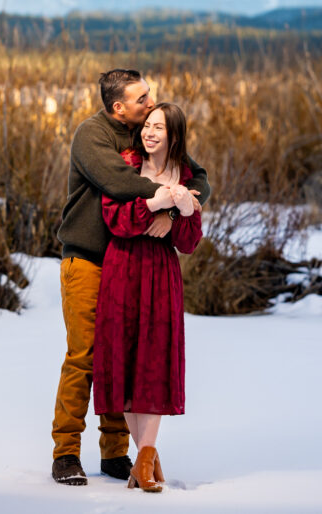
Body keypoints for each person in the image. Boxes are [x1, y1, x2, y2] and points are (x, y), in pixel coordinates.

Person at [51, 70, 211, 486]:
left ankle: (116, 453)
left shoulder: (147, 129)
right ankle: (66, 453)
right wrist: (163, 199)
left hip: (129, 263)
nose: (150, 102)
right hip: (88, 259)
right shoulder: (93, 135)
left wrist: (175, 208)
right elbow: (118, 182)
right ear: (118, 106)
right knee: (85, 357)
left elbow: (198, 179)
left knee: (124, 354)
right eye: (142, 98)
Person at [93, 103, 202, 492]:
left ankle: (145, 458)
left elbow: (189, 243)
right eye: (148, 125)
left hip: (159, 272)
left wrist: (183, 212)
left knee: (153, 361)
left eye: (160, 127)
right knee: (125, 359)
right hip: (122, 267)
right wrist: (155, 204)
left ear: (174, 135)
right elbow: (114, 219)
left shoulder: (186, 175)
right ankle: (146, 462)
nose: (150, 132)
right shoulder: (126, 163)